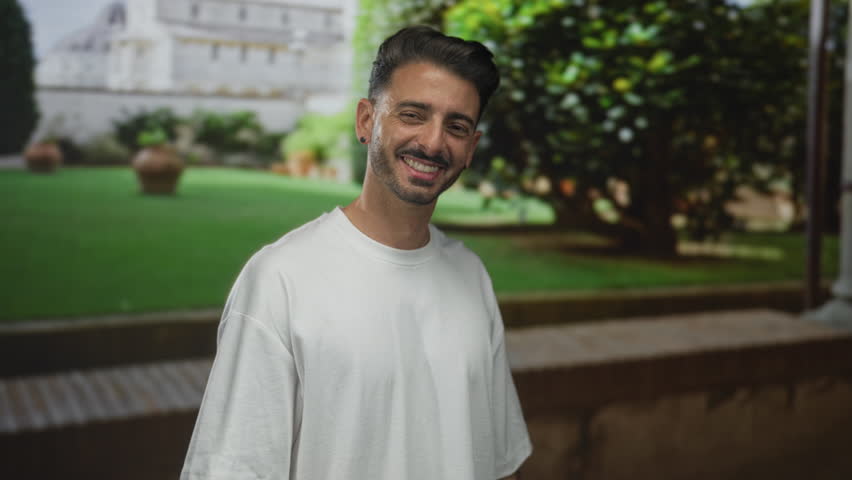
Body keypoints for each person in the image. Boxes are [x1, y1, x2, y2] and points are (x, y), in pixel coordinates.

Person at [181, 25, 532, 480]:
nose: (432, 142)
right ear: (366, 120)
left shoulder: (471, 275)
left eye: (456, 126)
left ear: (471, 149)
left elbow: (500, 461)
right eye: (413, 114)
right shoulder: (281, 279)